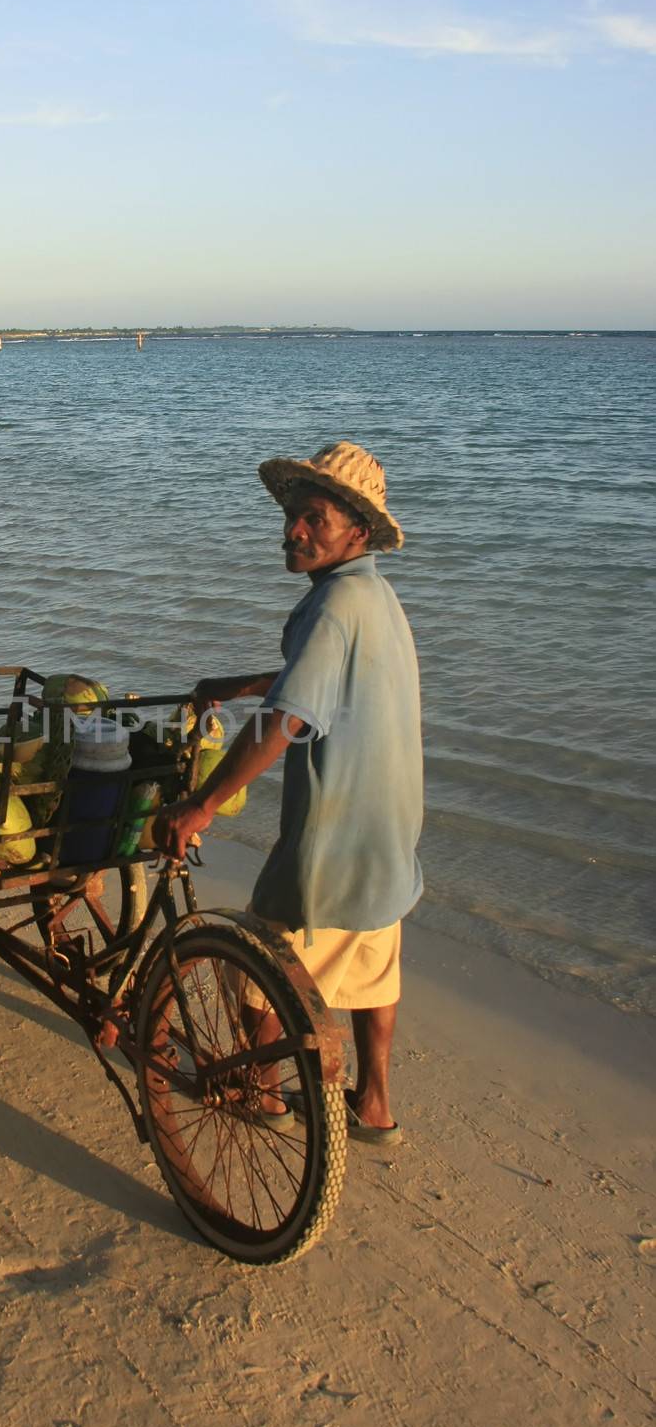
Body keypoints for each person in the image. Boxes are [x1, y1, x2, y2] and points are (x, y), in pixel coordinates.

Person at [153, 441, 423, 1145]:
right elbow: (314, 681)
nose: (293, 531)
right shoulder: (373, 596)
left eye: (314, 519)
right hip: (388, 830)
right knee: (370, 960)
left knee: (256, 969)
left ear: (356, 533)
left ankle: (264, 1092)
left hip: (331, 836)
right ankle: (374, 1106)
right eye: (292, 516)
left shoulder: (333, 605)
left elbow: (289, 718)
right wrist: (232, 686)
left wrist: (201, 804)